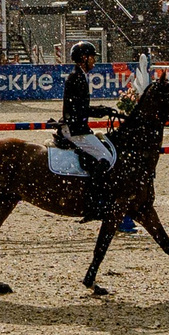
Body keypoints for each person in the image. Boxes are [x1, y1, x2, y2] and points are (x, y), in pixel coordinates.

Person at [57, 41, 114, 221]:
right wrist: (99, 111)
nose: (94, 61)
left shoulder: (79, 76)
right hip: (75, 130)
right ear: (84, 58)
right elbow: (81, 109)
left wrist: (101, 109)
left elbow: (82, 107)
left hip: (76, 126)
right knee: (106, 157)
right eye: (92, 58)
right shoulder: (77, 77)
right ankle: (93, 204)